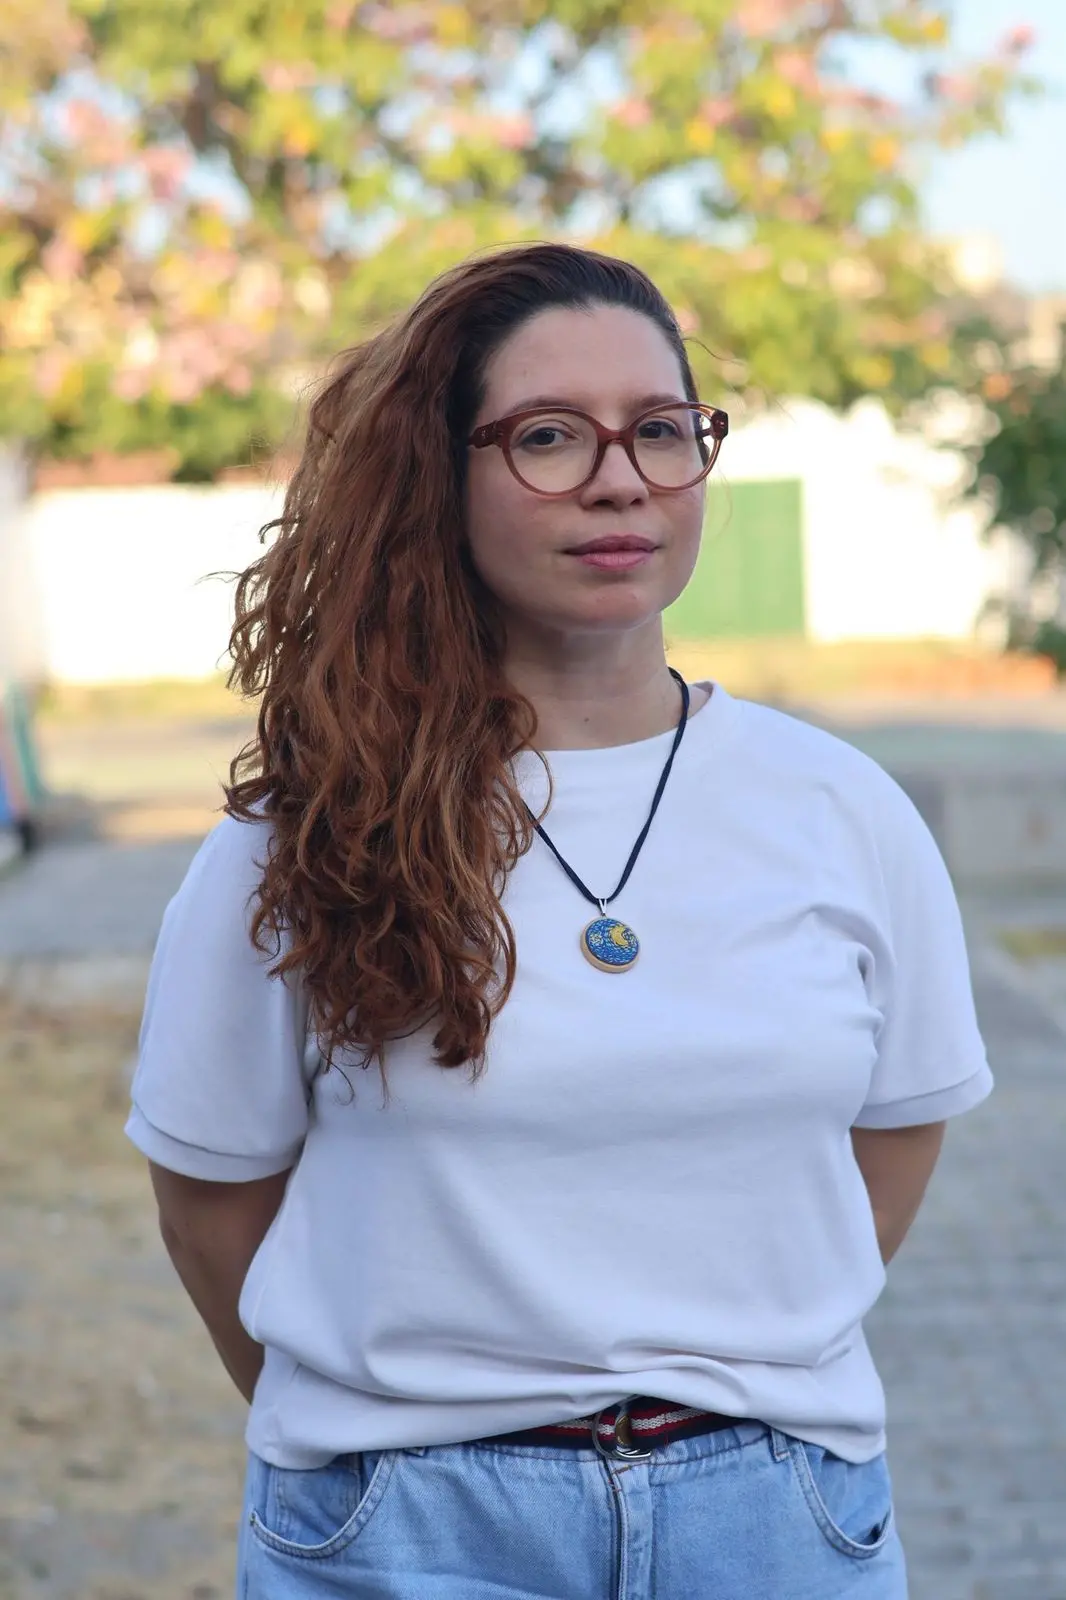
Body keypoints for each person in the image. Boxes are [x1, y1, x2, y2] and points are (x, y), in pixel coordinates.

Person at [125, 242, 993, 1599]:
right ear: (438, 474)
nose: (618, 476)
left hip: (778, 1519)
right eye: (545, 436)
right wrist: (385, 1429)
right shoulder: (302, 834)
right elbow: (209, 1202)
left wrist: (727, 1359)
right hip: (406, 1529)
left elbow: (890, 1139)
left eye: (660, 430)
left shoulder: (839, 808)